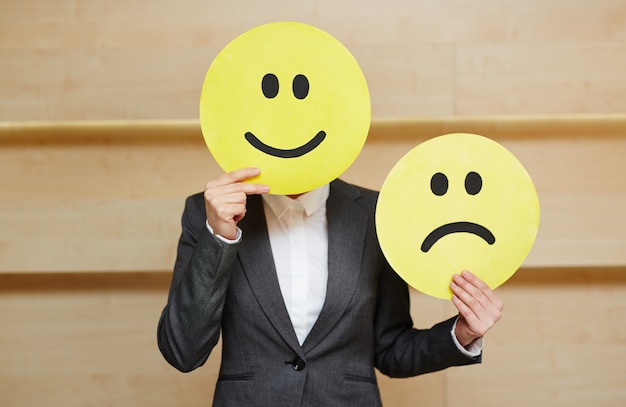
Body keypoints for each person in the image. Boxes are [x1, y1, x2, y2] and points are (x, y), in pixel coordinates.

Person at [157, 167, 503, 407]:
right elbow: (183, 352)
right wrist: (218, 236)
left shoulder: (375, 214)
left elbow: (389, 348)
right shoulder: (206, 212)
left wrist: (461, 334)